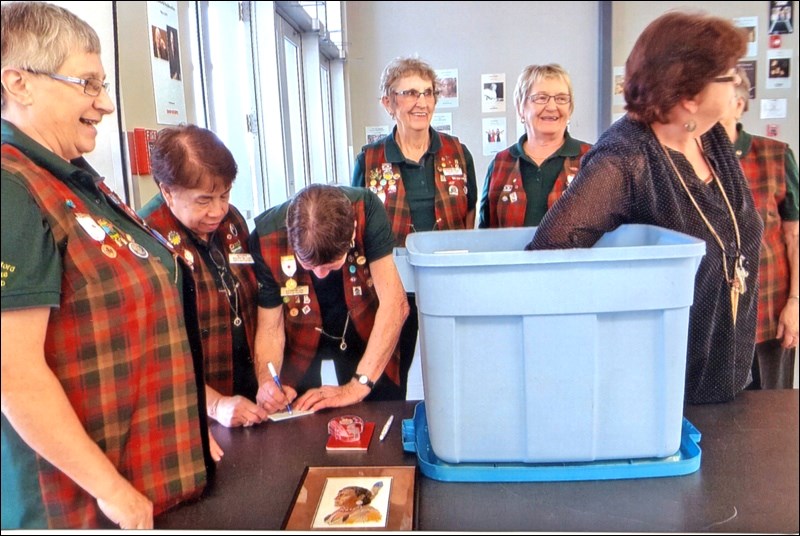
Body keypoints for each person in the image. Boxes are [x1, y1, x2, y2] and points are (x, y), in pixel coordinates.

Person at [1, 2, 210, 529]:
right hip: (77, 507)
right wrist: (110, 488)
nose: (107, 103)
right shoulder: (11, 188)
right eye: (88, 84)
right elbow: (13, 374)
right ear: (19, 83)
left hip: (144, 481)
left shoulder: (73, 181)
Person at [526, 10, 763, 405]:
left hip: (730, 377)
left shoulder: (712, 139)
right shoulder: (626, 158)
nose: (738, 83)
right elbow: (547, 256)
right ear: (689, 96)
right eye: (728, 76)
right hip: (665, 397)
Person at [351, 56, 477, 398]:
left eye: (428, 93)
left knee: (455, 371)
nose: (421, 102)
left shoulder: (458, 153)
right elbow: (356, 228)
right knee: (390, 374)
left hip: (446, 282)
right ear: (388, 103)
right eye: (409, 93)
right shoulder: (369, 159)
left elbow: (469, 220)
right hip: (392, 288)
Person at [139, 124, 267, 426]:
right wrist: (215, 405)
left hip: (248, 394)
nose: (218, 210)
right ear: (167, 191)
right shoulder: (146, 239)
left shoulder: (231, 220)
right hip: (194, 407)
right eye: (204, 200)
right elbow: (156, 352)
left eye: (224, 195)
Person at [249, 184, 409, 413]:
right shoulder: (265, 237)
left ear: (352, 232)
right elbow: (270, 328)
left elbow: (395, 305)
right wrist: (267, 382)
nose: (320, 274)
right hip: (299, 333)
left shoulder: (367, 209)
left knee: (377, 410)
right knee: (300, 417)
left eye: (331, 265)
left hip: (363, 325)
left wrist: (355, 387)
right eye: (308, 266)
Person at [720, 68, 799, 388]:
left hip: (769, 311)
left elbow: (794, 236)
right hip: (712, 321)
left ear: (739, 105)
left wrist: (795, 303)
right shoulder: (688, 160)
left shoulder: (775, 155)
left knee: (769, 413)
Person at [479, 64, 592, 228]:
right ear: (521, 108)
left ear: (570, 108)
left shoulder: (592, 160)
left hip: (572, 255)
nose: (552, 107)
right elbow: (487, 233)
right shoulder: (501, 163)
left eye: (561, 98)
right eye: (541, 98)